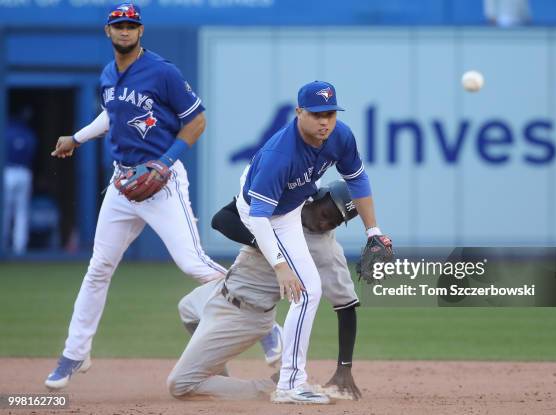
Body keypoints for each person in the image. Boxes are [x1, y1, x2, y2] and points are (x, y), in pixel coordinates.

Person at [43, 2, 286, 390]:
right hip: (123, 185)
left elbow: (197, 120)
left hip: (162, 183)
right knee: (98, 267)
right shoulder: (108, 74)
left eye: (131, 25)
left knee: (194, 263)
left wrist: (165, 162)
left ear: (141, 31)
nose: (125, 31)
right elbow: (113, 115)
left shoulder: (162, 71)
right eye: (118, 25)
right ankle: (74, 353)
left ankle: (265, 325)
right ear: (108, 32)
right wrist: (77, 137)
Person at [236, 80, 389, 404]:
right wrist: (280, 266)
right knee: (304, 290)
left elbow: (357, 178)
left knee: (309, 291)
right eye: (317, 113)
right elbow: (261, 216)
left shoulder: (340, 135)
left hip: (290, 209)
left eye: (330, 113)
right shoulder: (281, 153)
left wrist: (372, 231)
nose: (325, 121)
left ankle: (291, 383)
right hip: (259, 211)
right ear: (299, 112)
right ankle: (290, 384)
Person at [167, 180, 362, 401]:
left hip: (245, 315)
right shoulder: (280, 207)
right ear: (315, 198)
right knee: (187, 309)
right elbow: (221, 220)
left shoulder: (327, 251)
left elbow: (346, 306)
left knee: (180, 384)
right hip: (221, 290)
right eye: (327, 213)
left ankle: (269, 387)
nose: (325, 223)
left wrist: (344, 367)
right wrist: (263, 243)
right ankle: (232, 362)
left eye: (335, 222)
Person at [3, 113, 37, 255]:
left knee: (5, 210)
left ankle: (3, 245)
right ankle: (19, 247)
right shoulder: (29, 135)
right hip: (24, 172)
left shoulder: (6, 133)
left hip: (8, 172)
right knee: (21, 211)